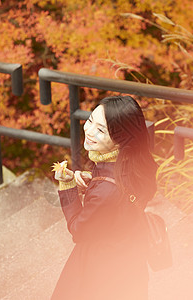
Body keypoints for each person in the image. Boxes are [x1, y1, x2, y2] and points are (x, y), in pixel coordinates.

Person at [51, 95, 158, 300]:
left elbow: (78, 231)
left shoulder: (105, 192)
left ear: (120, 139)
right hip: (131, 258)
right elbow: (120, 192)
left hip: (103, 268)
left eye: (100, 130)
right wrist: (93, 180)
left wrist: (67, 185)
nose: (89, 131)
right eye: (90, 120)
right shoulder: (137, 162)